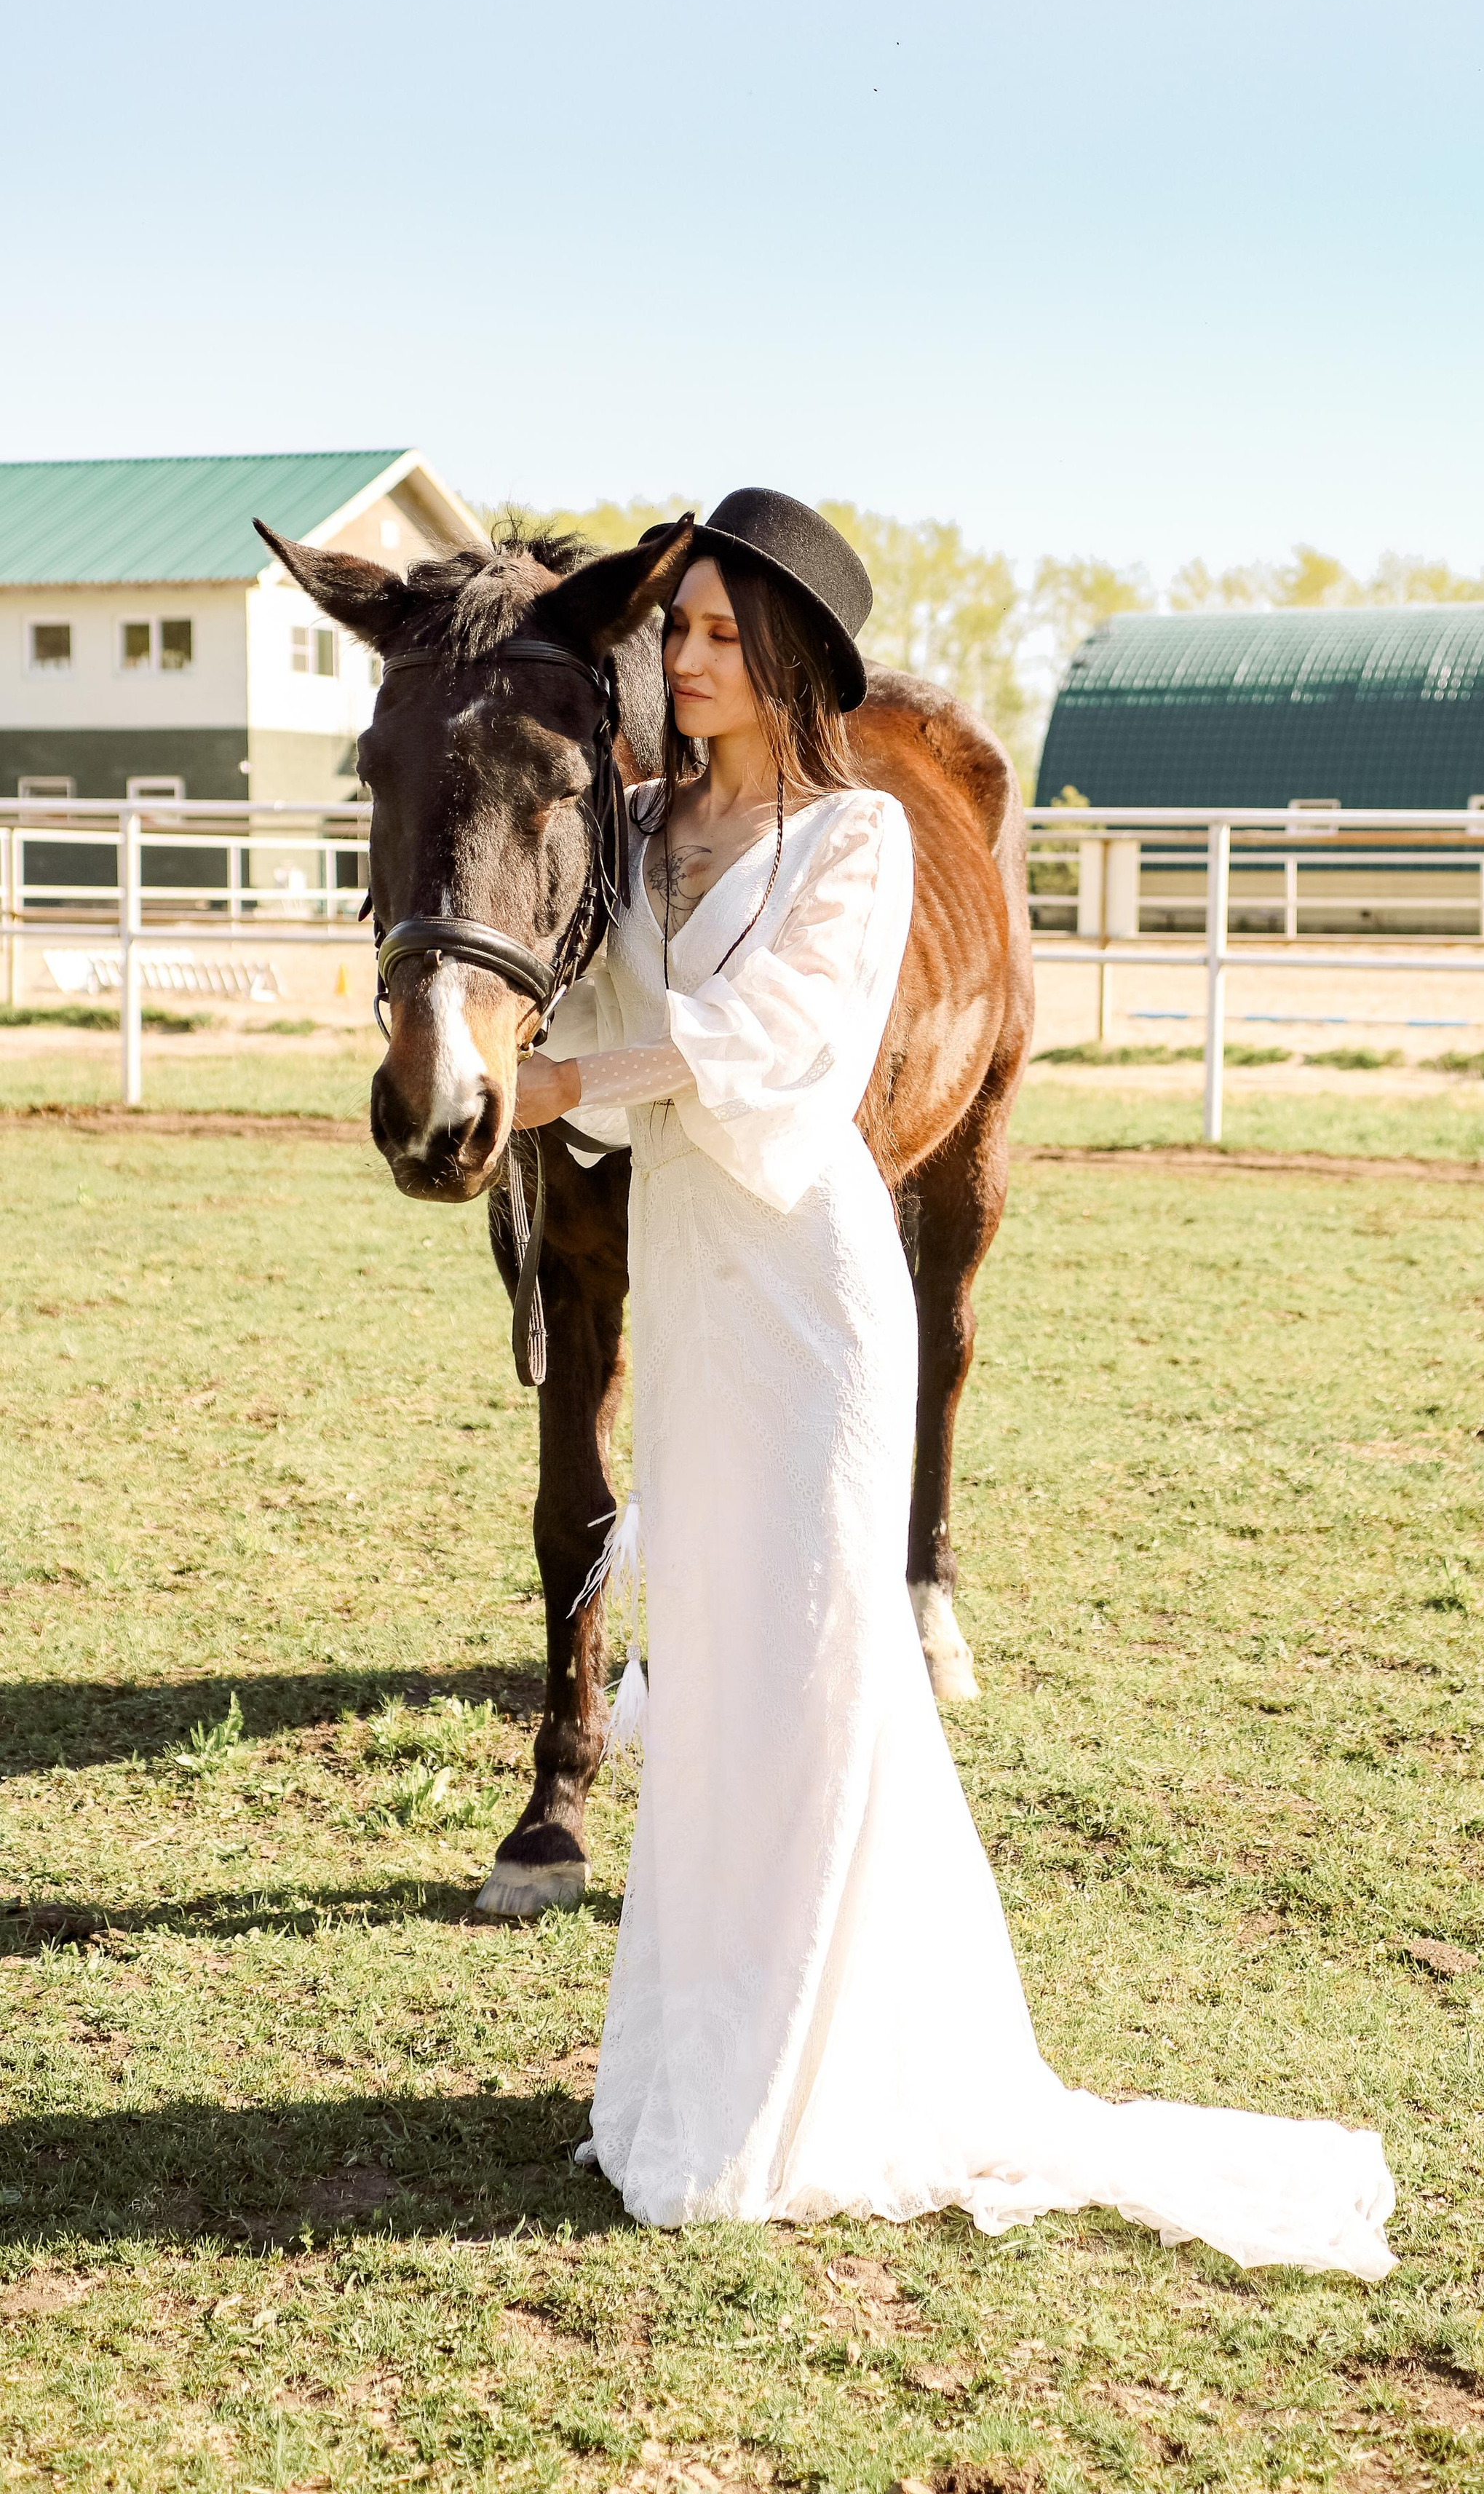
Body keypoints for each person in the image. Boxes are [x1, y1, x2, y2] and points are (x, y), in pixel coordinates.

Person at [514, 488, 1396, 2278]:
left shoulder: (853, 842)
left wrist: (570, 1078)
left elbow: (789, 1054)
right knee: (720, 1657)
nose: (677, 658)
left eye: (707, 630)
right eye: (665, 628)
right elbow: (596, 1042)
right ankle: (715, 2039)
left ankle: (832, 2067)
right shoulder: (636, 824)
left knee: (818, 1653)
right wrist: (505, 1046)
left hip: (808, 1281)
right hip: (691, 1267)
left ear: (786, 653)